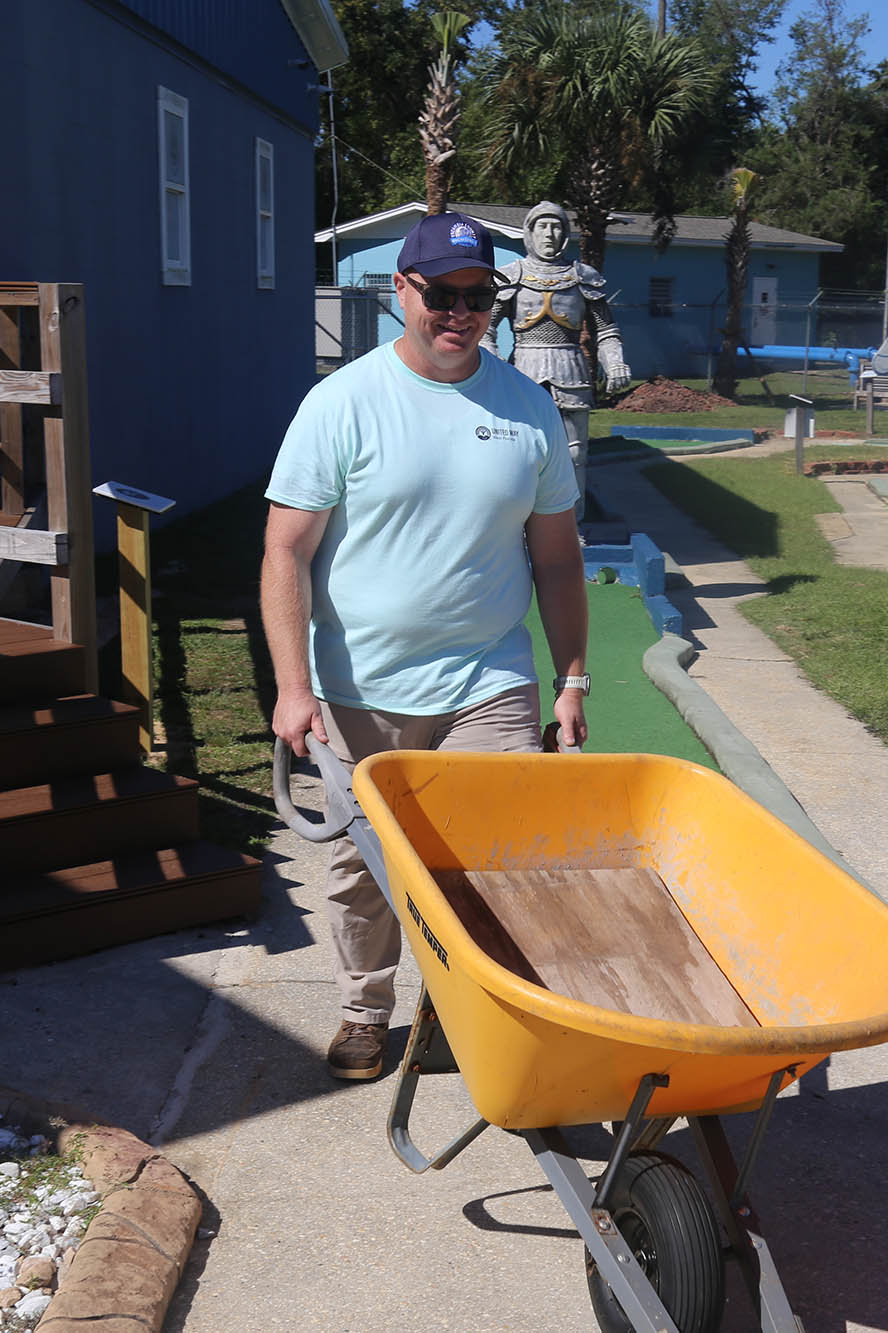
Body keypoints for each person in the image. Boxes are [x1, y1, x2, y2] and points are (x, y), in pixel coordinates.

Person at [262, 210, 590, 1081]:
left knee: (491, 859)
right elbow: (284, 550)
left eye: (479, 296)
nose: (461, 312)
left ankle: (462, 1009)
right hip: (357, 684)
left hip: (489, 678)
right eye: (442, 293)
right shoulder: (341, 402)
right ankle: (364, 1011)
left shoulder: (529, 411)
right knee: (362, 865)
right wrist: (294, 687)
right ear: (402, 290)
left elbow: (557, 560)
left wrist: (573, 678)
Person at [482, 201, 630, 523]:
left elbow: (606, 329)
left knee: (574, 454)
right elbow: (486, 329)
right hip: (522, 371)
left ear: (565, 233)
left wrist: (615, 363)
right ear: (529, 232)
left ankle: (571, 525)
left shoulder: (583, 277)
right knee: (519, 452)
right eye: (542, 227)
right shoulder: (511, 275)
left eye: (556, 226)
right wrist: (491, 366)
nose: (549, 234)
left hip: (571, 370)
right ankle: (517, 522)